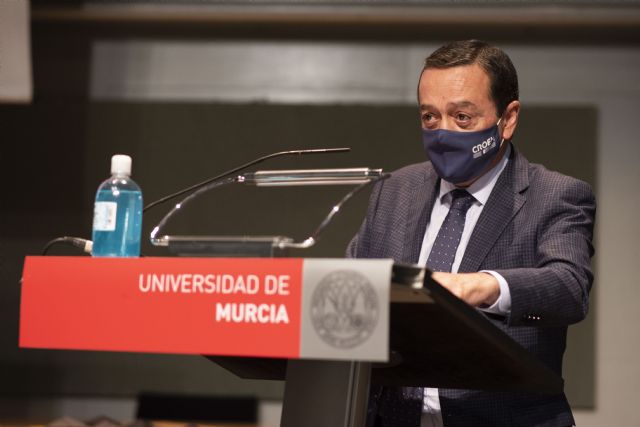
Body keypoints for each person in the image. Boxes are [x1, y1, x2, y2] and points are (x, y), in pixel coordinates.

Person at [347, 40, 596, 427]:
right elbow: (352, 287)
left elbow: (568, 287)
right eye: (430, 117)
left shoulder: (555, 194)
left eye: (462, 117)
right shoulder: (394, 189)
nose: (443, 132)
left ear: (507, 118)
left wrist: (482, 286)